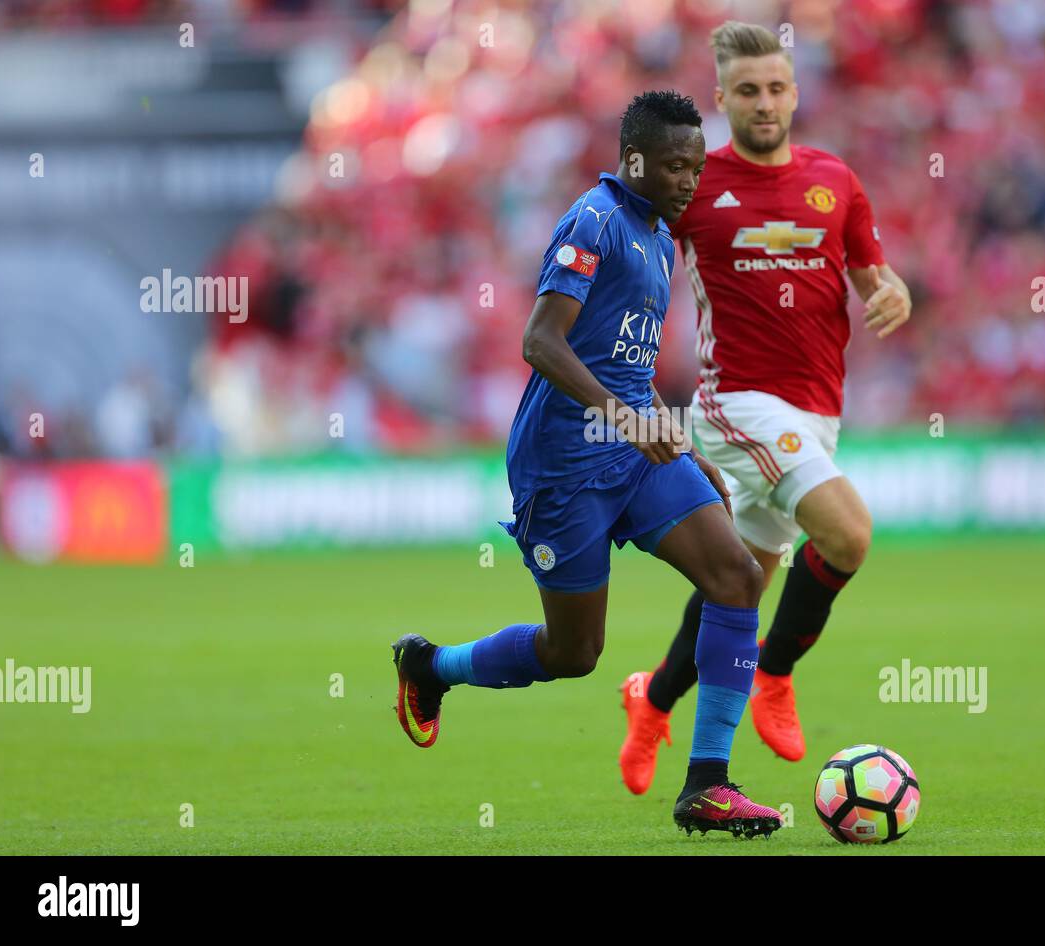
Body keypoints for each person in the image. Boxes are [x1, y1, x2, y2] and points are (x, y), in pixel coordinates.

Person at [391, 90, 782, 838]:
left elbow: (624, 360)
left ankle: (708, 784)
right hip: (562, 463)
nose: (688, 180)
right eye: (673, 165)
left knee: (737, 575)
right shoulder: (593, 221)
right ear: (632, 159)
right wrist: (631, 420)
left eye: (696, 167)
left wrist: (673, 436)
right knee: (575, 652)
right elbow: (541, 342)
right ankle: (430, 666)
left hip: (632, 453)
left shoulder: (660, 239)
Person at [618, 22, 912, 794]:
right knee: (848, 534)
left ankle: (652, 699)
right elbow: (628, 250)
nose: (764, 103)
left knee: (736, 582)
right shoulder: (694, 184)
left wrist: (892, 291)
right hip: (736, 403)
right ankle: (773, 675)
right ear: (722, 98)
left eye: (776, 88)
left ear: (794, 91)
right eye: (747, 91)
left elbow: (872, 272)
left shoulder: (836, 181)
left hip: (816, 409)